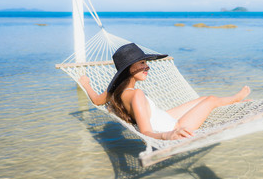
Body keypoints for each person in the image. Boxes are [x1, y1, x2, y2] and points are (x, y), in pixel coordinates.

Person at [79, 43, 251, 140]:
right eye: (142, 63)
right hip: (172, 126)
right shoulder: (136, 94)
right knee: (211, 100)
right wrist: (170, 134)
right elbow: (145, 132)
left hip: (162, 116)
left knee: (204, 98)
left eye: (146, 62)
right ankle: (236, 99)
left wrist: (86, 84)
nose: (147, 66)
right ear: (129, 68)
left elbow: (96, 100)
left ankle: (234, 101)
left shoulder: (115, 91)